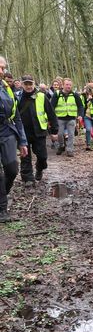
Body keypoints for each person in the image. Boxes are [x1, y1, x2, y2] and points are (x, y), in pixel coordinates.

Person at [0, 56, 29, 222]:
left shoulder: (6, 87)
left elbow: (16, 116)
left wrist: (23, 141)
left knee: (11, 169)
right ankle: (2, 209)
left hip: (7, 131)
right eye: (0, 68)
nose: (2, 71)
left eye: (4, 68)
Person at [17, 75, 57, 185]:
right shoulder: (18, 97)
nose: (29, 86)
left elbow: (51, 114)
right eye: (26, 84)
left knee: (42, 156)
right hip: (23, 132)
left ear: (34, 84)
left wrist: (54, 131)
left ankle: (39, 168)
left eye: (30, 84)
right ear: (22, 84)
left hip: (39, 131)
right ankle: (28, 178)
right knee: (25, 156)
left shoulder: (41, 96)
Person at [51, 78, 84, 157]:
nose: (68, 86)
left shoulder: (75, 94)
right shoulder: (57, 94)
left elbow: (80, 106)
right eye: (67, 85)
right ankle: (61, 145)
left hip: (71, 118)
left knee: (71, 134)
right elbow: (52, 106)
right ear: (62, 85)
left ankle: (70, 150)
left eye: (70, 85)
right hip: (60, 118)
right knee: (60, 134)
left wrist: (80, 115)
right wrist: (52, 118)